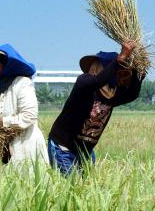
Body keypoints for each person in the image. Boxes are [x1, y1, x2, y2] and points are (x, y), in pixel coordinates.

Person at [47, 41, 144, 175]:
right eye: (117, 70)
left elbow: (132, 94)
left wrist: (139, 73)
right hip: (63, 147)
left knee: (85, 191)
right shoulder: (84, 83)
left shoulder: (111, 94)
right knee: (70, 188)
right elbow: (98, 81)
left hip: (85, 151)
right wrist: (120, 60)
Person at [0, 43, 49, 167]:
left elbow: (29, 116)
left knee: (22, 183)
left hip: (21, 147)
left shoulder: (22, 83)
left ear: (7, 65)